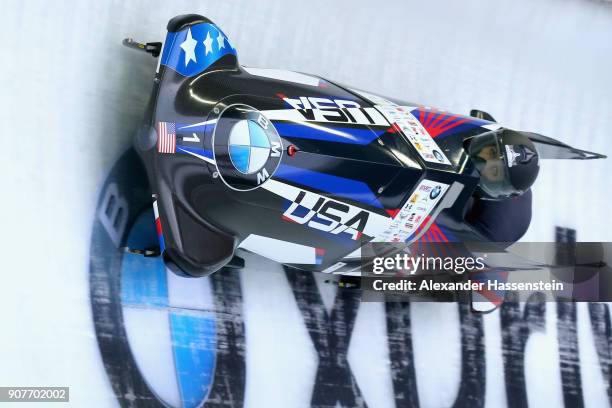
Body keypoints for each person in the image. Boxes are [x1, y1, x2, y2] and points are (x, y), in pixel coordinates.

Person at [464, 129, 540, 242]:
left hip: (492, 230)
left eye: (494, 171)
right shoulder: (510, 174)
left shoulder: (490, 234)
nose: (481, 163)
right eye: (491, 152)